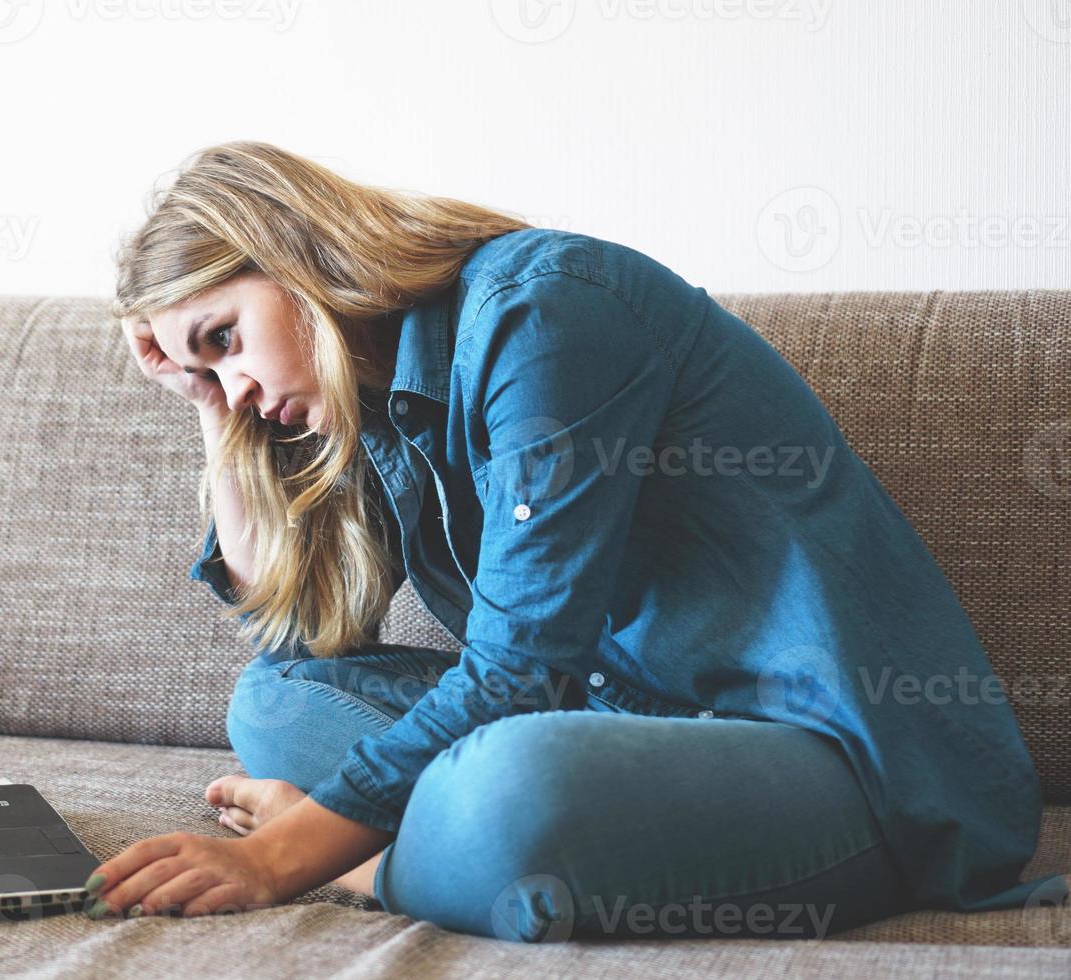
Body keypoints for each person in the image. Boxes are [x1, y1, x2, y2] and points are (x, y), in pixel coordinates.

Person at [80, 140, 1063, 942]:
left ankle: (383, 862)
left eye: (223, 337)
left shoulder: (545, 310)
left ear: (291, 251)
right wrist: (210, 408)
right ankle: (435, 849)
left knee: (512, 788)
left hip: (833, 759)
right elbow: (288, 629)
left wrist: (276, 856)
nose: (238, 382)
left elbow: (516, 677)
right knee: (278, 701)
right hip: (614, 719)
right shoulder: (369, 393)